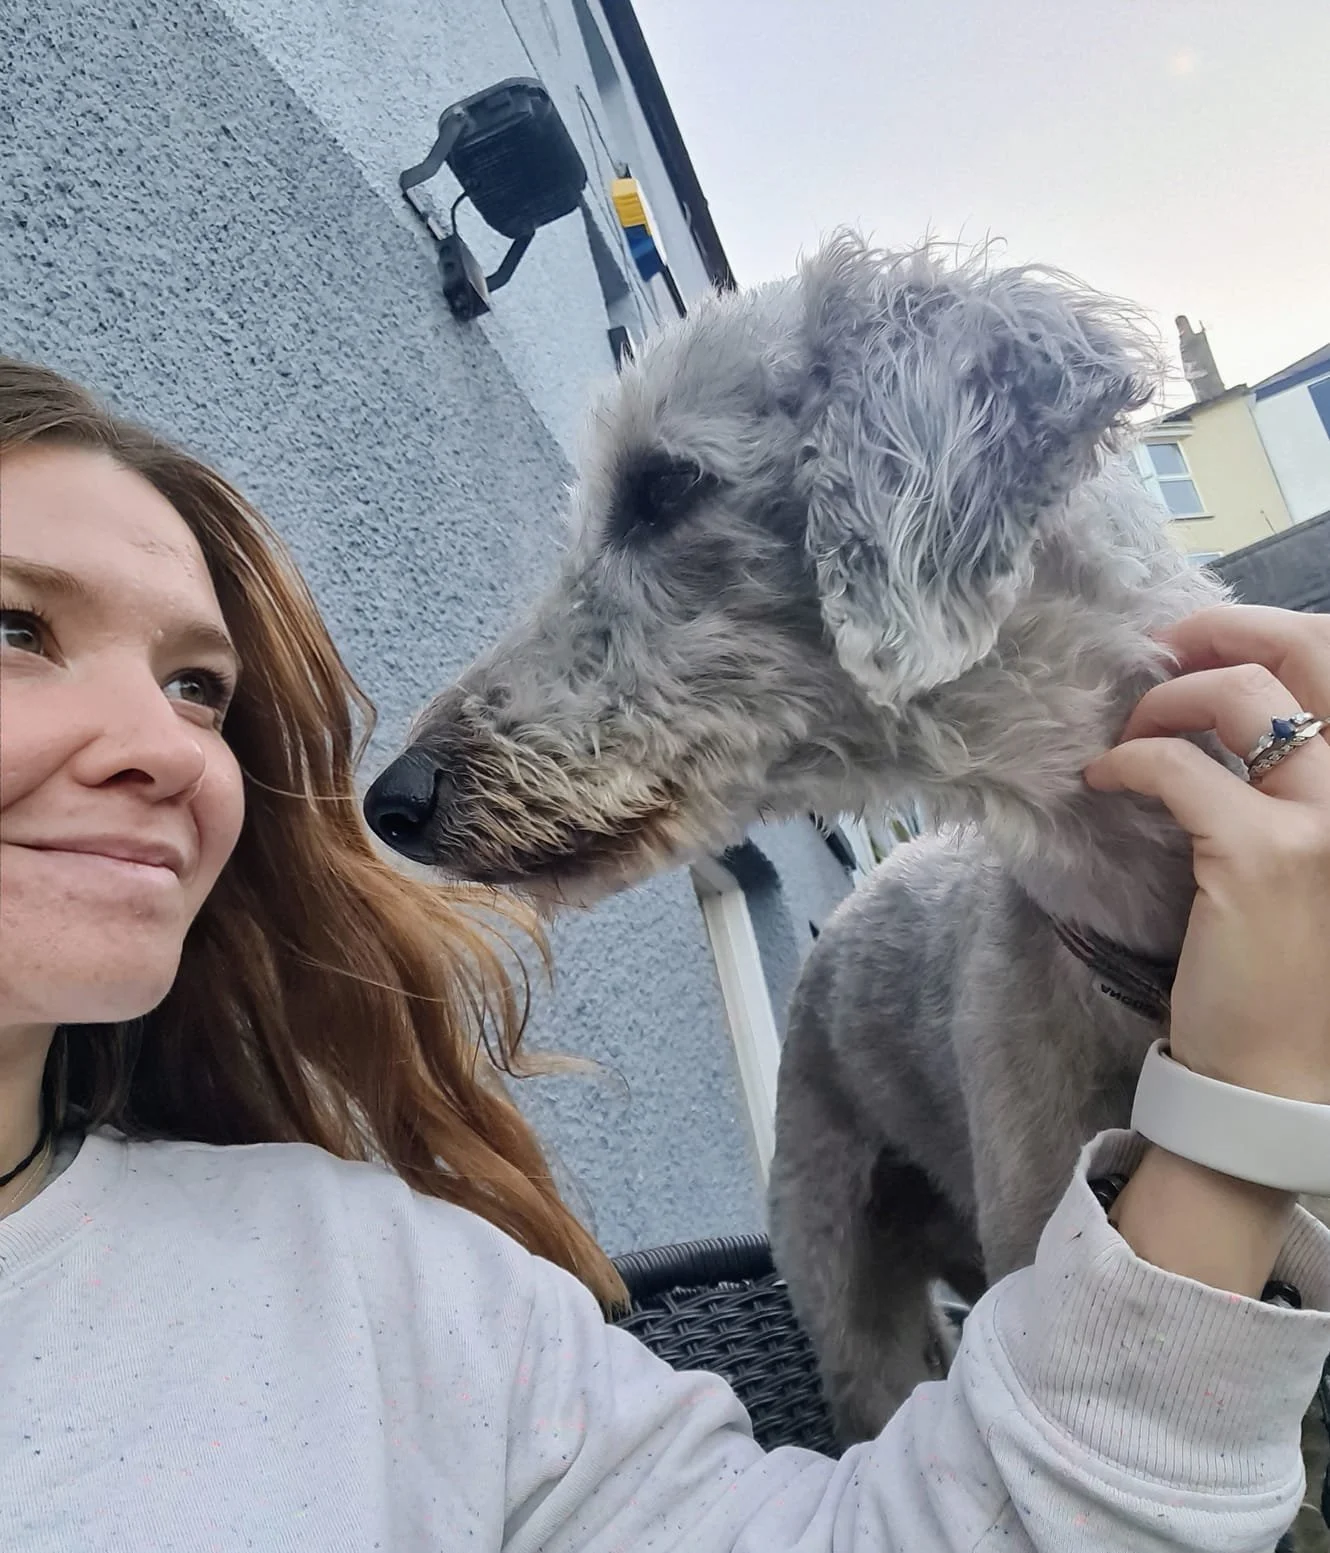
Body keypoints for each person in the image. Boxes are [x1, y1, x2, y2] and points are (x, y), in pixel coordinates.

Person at [0, 356, 1327, 1553]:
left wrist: (1239, 1102)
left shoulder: (381, 1280)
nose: (173, 749)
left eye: (199, 690)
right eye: (14, 629)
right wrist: (1239, 1116)